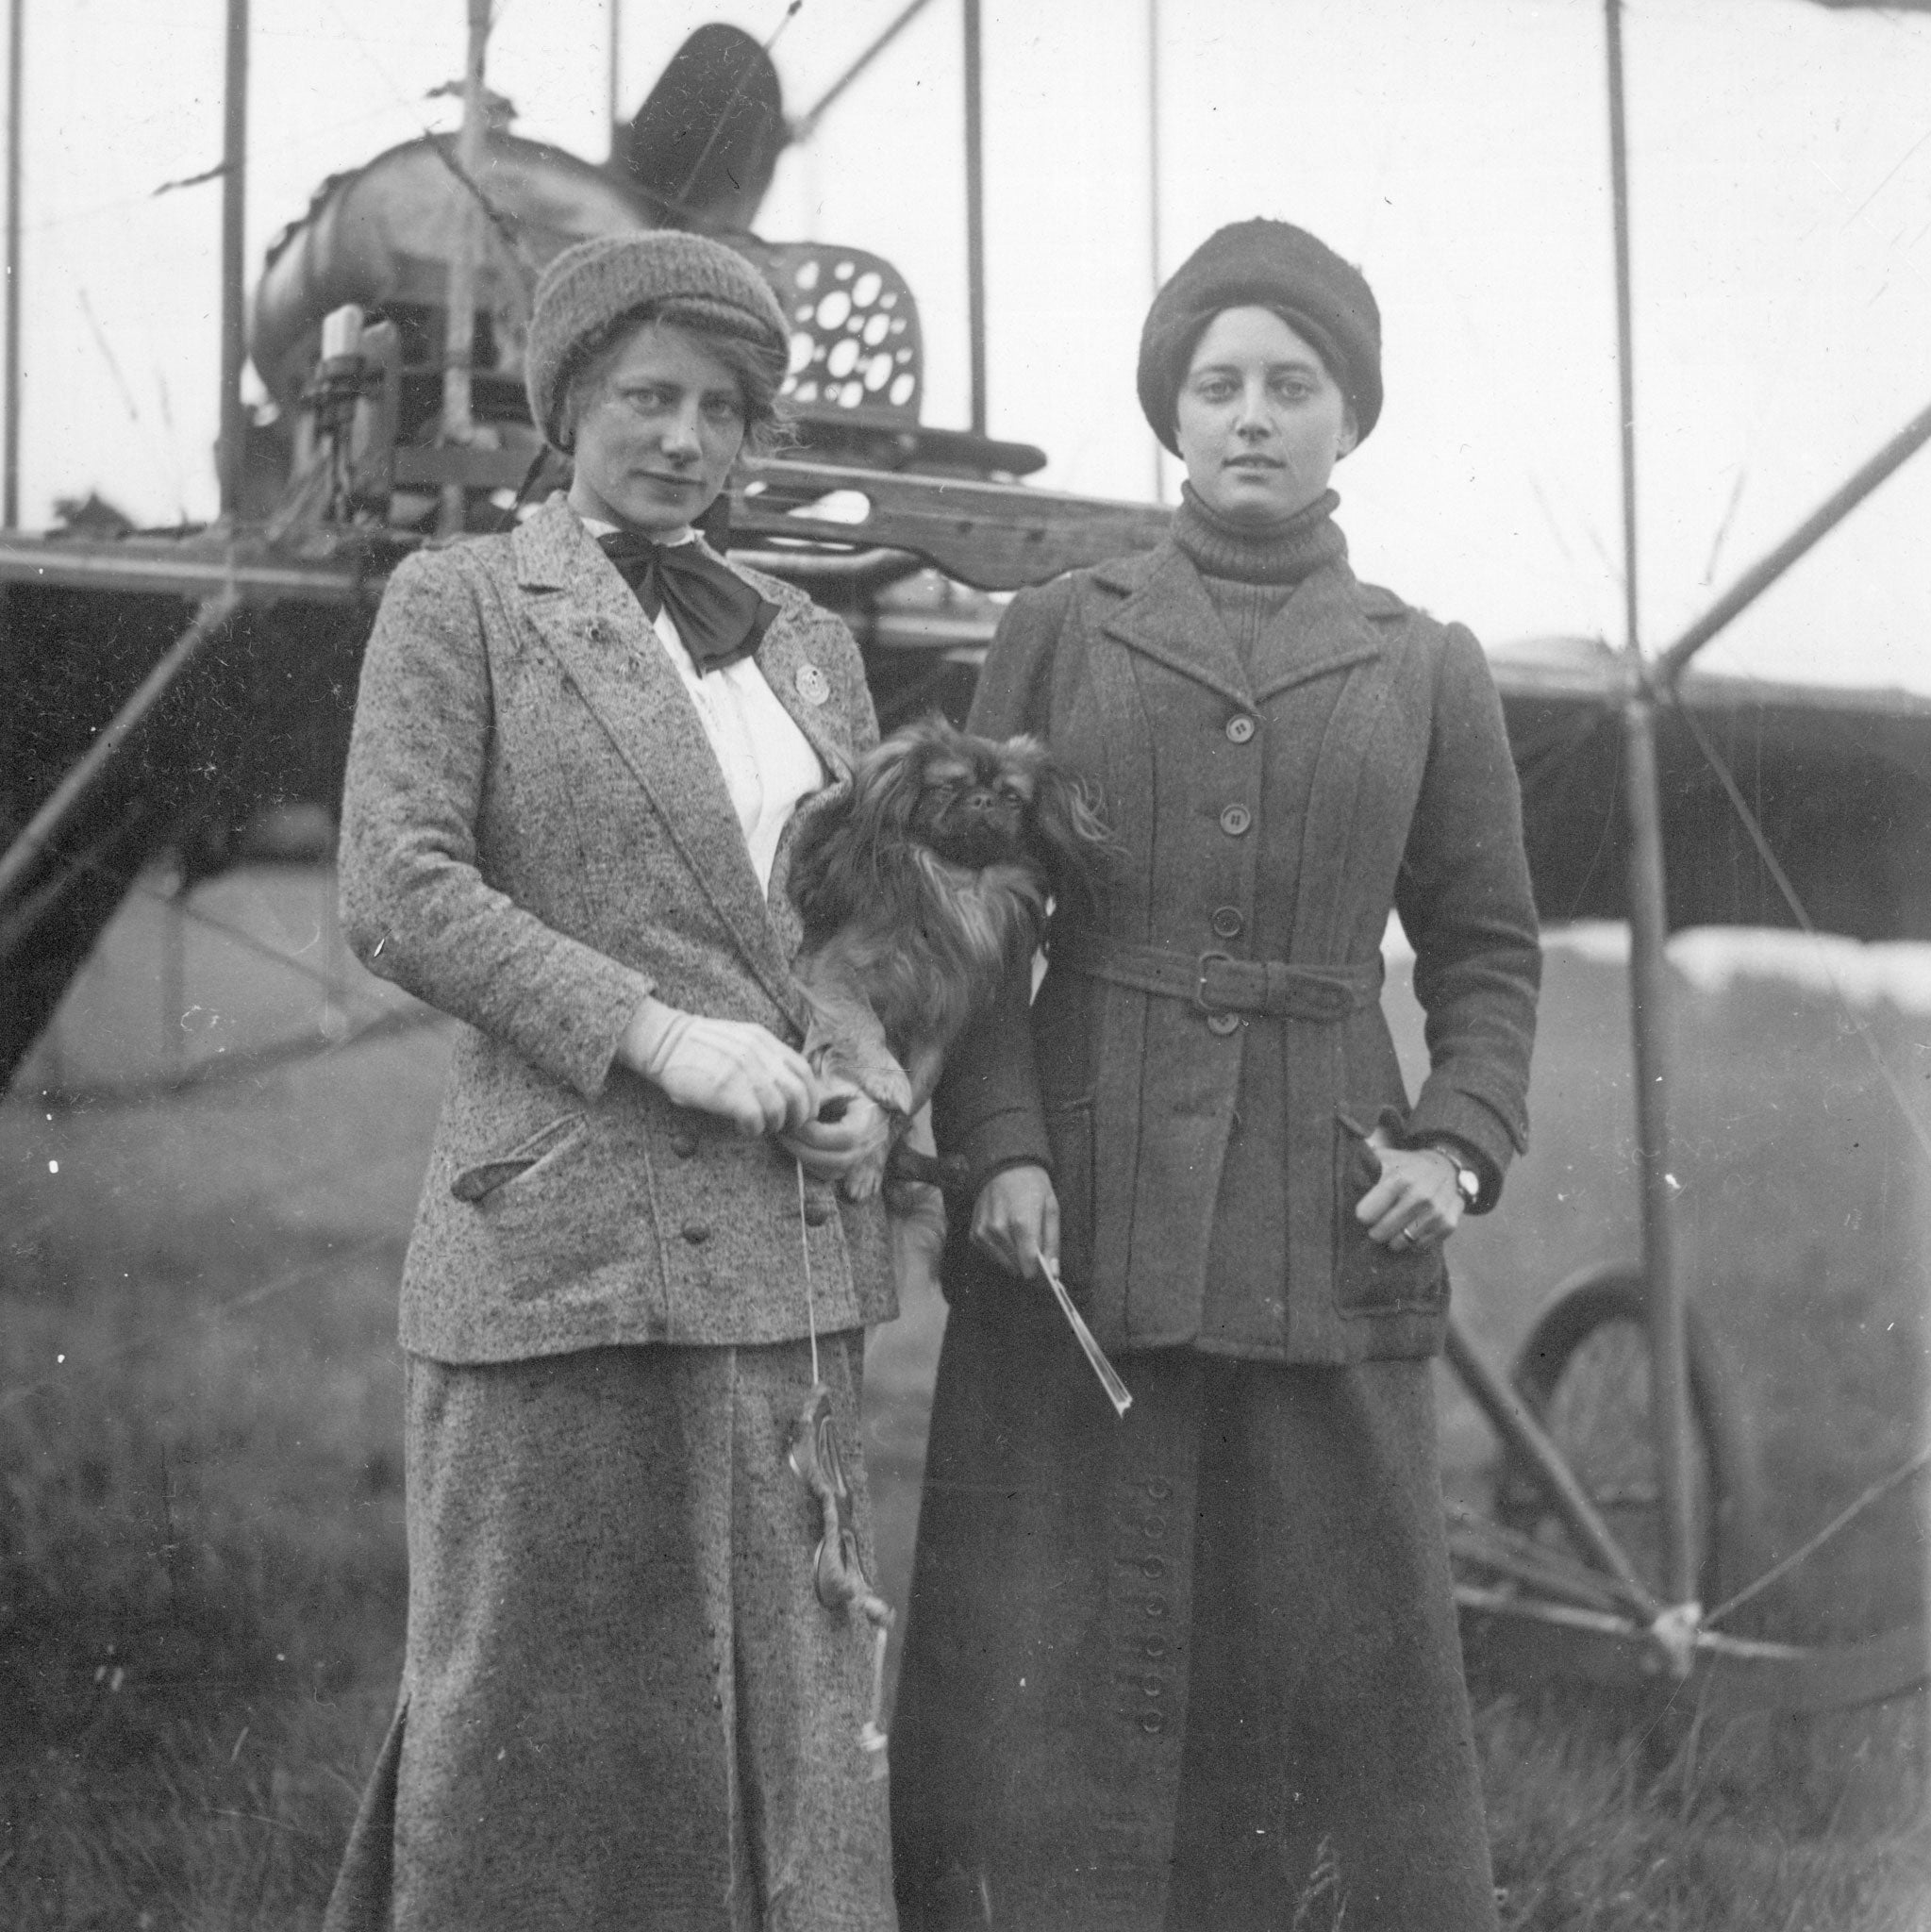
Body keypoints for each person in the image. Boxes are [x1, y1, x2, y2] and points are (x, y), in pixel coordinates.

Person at [889, 219, 1540, 1932]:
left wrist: (1459, 1143)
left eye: (1292, 386)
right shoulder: (1057, 628)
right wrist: (1002, 1145)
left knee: (1320, 1681)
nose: (1252, 416)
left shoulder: (1425, 664)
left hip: (1320, 1225)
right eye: (1217, 384)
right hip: (1078, 1214)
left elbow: (1486, 950)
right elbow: (977, 923)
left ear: (1352, 417)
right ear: (1172, 413)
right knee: (1046, 1672)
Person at [323, 231, 899, 1932]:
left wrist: (872, 1077)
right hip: (559, 1247)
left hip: (782, 1254)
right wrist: (653, 1032)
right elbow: (400, 886)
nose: (684, 438)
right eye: (648, 396)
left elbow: (858, 932)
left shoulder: (808, 645)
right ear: (571, 403)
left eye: (723, 407)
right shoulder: (465, 603)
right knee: (538, 1727)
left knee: (785, 1729)